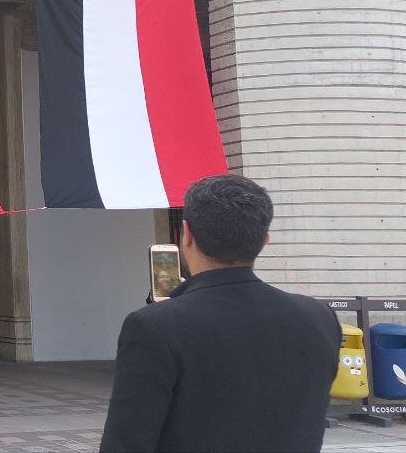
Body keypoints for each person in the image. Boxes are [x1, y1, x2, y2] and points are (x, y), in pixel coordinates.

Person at [99, 174, 341, 452]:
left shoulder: (154, 326)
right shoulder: (319, 317)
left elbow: (126, 441)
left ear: (186, 234)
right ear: (264, 240)